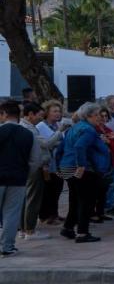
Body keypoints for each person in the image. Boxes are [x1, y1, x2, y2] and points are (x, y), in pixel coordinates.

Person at [57, 102, 110, 243]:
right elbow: (80, 146)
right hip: (82, 170)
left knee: (75, 200)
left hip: (67, 167)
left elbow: (60, 148)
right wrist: (81, 165)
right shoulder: (88, 130)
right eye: (97, 114)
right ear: (88, 115)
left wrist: (59, 166)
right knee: (86, 202)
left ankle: (68, 228)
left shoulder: (74, 128)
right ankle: (82, 233)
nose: (100, 117)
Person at [1, 101, 35, 256]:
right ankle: (7, 247)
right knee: (12, 214)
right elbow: (35, 160)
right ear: (19, 115)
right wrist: (27, 173)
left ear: (4, 114)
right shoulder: (28, 134)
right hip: (18, 178)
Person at [18, 102, 50, 241]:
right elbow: (44, 144)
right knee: (32, 199)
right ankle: (29, 230)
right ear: (30, 114)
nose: (40, 119)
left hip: (29, 166)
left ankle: (23, 229)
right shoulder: (27, 128)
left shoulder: (27, 127)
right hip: (33, 167)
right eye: (39, 115)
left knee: (26, 198)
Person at [36, 100, 65, 226]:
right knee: (47, 191)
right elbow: (47, 143)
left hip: (58, 164)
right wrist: (57, 139)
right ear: (47, 112)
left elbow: (60, 142)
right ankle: (45, 216)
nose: (58, 114)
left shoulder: (58, 125)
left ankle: (54, 213)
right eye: (54, 111)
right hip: (47, 165)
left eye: (59, 111)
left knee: (57, 189)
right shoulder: (41, 126)